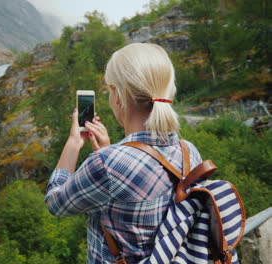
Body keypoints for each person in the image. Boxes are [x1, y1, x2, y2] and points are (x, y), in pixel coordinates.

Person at [44, 43, 203, 264]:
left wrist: (73, 143)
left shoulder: (107, 164)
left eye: (110, 89)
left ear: (118, 95)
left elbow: (55, 203)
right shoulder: (189, 152)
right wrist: (110, 150)